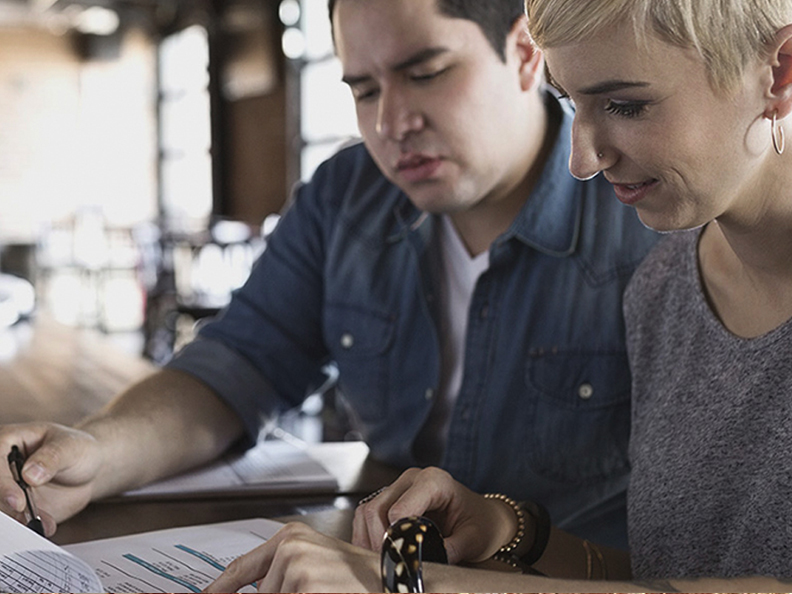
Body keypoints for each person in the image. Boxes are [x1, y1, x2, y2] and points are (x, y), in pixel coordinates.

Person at [0, 0, 656, 553]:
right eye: (364, 90)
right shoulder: (349, 197)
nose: (390, 123)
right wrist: (96, 451)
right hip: (380, 565)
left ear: (523, 53)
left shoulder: (646, 211)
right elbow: (240, 365)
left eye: (425, 73)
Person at [203, 0, 792, 591]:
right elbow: (667, 577)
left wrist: (419, 585)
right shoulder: (665, 285)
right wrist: (511, 529)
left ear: (781, 72)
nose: (583, 161)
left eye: (625, 105)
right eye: (569, 102)